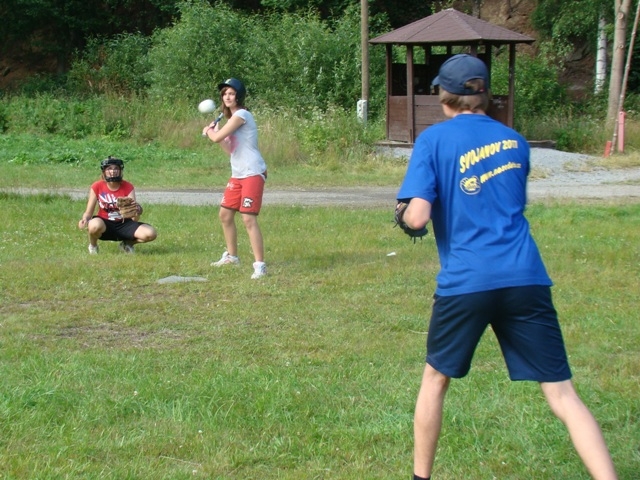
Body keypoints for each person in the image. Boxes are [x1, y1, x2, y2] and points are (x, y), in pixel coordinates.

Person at [396, 54, 617, 480]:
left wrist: (403, 213)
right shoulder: (515, 141)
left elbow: (418, 217)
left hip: (467, 280)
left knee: (435, 380)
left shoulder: (433, 140)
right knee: (562, 393)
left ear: (443, 96)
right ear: (484, 93)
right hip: (525, 275)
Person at [202, 77, 268, 279]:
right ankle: (232, 257)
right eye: (224, 94)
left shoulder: (241, 115)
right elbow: (230, 148)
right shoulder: (230, 119)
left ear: (238, 96)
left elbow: (216, 138)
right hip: (238, 174)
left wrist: (211, 132)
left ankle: (260, 265)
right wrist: (215, 133)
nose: (227, 97)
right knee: (225, 215)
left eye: (231, 93)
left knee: (248, 218)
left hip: (252, 172)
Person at [78, 156, 157, 254]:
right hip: (105, 223)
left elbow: (134, 218)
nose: (113, 171)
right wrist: (85, 220)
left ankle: (127, 244)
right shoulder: (97, 186)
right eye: (109, 168)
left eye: (116, 168)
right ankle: (93, 246)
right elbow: (88, 212)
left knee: (151, 233)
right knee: (94, 225)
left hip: (124, 223)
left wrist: (137, 211)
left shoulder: (128, 186)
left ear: (120, 171)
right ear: (104, 171)